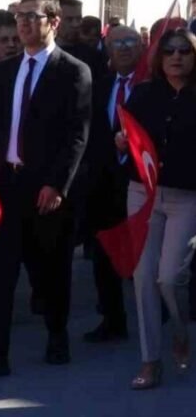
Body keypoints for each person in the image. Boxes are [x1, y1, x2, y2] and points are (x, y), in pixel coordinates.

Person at [0, 0, 91, 380]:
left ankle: (57, 333)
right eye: (19, 17)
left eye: (33, 17)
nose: (23, 24)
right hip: (8, 185)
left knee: (49, 270)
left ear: (52, 22)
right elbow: (1, 119)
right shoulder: (3, 70)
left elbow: (77, 136)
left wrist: (57, 184)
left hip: (47, 189)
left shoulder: (73, 71)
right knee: (0, 270)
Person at [120, 28, 196, 390]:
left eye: (184, 51)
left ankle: (180, 332)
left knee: (170, 277)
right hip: (144, 193)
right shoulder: (144, 93)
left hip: (187, 198)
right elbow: (125, 135)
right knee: (144, 277)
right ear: (159, 57)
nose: (177, 57)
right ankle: (150, 361)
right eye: (170, 51)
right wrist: (121, 139)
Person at [81, 25, 141, 345]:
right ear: (107, 48)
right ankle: (112, 319)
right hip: (104, 183)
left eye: (131, 41)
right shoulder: (99, 86)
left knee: (146, 255)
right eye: (117, 43)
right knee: (104, 255)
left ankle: (154, 317)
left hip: (141, 182)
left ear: (142, 47)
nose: (125, 48)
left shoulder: (152, 87)